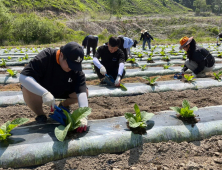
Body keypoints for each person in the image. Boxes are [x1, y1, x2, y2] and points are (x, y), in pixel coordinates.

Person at [19, 42, 89, 133]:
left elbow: (82, 92)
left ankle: (64, 105)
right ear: (61, 55)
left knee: (85, 92)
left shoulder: (75, 69)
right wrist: (44, 93)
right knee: (26, 87)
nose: (71, 68)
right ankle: (41, 115)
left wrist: (83, 116)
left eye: (75, 65)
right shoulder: (46, 56)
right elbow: (23, 77)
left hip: (63, 90)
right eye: (69, 64)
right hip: (43, 89)